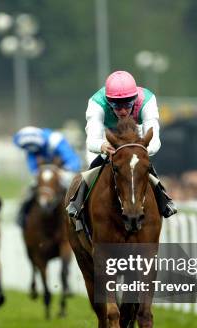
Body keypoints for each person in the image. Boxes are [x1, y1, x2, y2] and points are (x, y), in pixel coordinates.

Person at [66, 70, 177, 220]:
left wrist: (139, 150)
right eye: (117, 107)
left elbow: (155, 140)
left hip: (134, 136)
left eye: (127, 105)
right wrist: (102, 146)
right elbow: (92, 140)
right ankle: (77, 203)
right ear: (108, 102)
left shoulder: (148, 100)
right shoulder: (96, 103)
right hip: (107, 138)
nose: (123, 111)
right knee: (93, 166)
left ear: (135, 100)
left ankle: (164, 200)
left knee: (143, 167)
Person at [13, 126, 81, 226]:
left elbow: (74, 162)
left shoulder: (56, 140)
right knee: (29, 191)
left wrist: (61, 171)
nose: (32, 150)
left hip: (64, 171)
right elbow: (33, 167)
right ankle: (22, 217)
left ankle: (79, 217)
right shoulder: (29, 145)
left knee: (74, 189)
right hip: (44, 173)